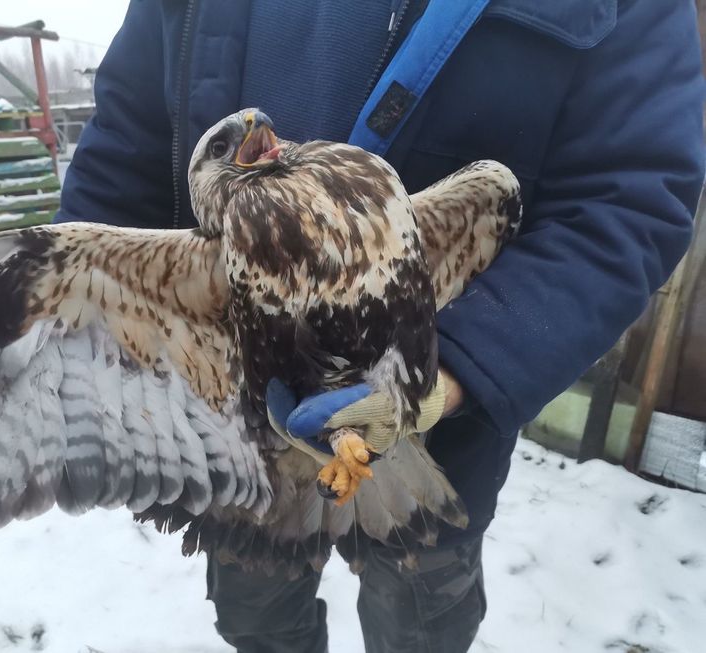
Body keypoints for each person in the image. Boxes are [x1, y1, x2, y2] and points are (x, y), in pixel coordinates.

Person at [56, 1, 705, 651]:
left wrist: (448, 375)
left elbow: (628, 201)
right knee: (258, 624)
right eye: (228, 145)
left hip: (438, 441)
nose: (256, 126)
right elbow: (119, 163)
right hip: (247, 449)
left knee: (419, 628)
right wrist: (111, 366)